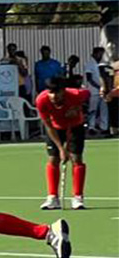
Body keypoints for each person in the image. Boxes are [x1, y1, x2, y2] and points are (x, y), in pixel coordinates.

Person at [36, 75, 90, 210]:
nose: (53, 96)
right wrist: (61, 149)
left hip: (75, 126)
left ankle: (78, 197)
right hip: (55, 129)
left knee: (76, 159)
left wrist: (77, 108)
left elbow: (87, 93)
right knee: (54, 159)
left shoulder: (75, 95)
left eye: (57, 92)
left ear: (63, 91)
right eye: (51, 92)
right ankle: (53, 197)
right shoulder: (41, 100)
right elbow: (48, 126)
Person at [85, 47, 109, 134]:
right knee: (93, 109)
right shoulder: (89, 64)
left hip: (103, 90)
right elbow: (89, 78)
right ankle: (91, 127)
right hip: (94, 90)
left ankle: (104, 127)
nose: (101, 56)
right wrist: (98, 86)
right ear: (95, 53)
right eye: (99, 54)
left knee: (104, 109)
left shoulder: (101, 64)